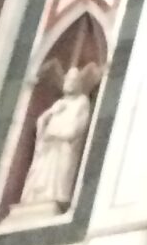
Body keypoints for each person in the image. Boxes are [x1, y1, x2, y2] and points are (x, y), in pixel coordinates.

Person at [15, 66, 93, 214]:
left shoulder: (82, 102)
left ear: (79, 84)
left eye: (73, 81)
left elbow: (78, 127)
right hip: (49, 146)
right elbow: (41, 121)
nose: (70, 84)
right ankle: (36, 199)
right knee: (41, 172)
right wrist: (50, 114)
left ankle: (56, 199)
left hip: (64, 145)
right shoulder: (58, 104)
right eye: (68, 80)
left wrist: (58, 134)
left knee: (60, 175)